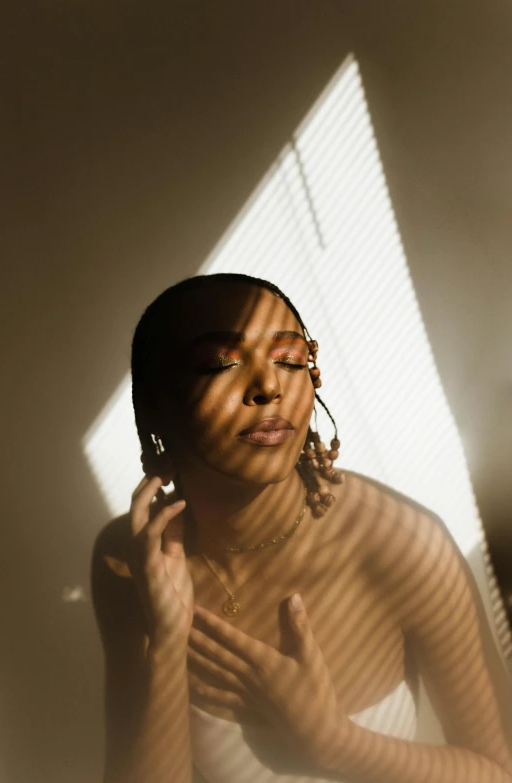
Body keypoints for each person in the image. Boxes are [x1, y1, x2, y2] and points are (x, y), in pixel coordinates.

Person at [92, 273, 512, 783]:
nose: (270, 385)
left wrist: (339, 746)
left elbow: (497, 770)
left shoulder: (402, 544)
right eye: (219, 364)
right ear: (159, 406)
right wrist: (165, 647)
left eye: (290, 360)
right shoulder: (129, 559)